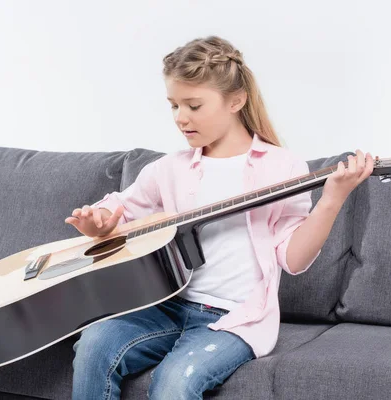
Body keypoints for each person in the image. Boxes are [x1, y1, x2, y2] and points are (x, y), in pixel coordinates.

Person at [65, 35, 374, 400]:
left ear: (236, 101)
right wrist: (98, 221)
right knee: (94, 344)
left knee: (175, 382)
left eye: (194, 105)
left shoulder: (281, 167)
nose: (181, 118)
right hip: (166, 306)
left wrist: (332, 199)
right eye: (174, 105)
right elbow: (120, 208)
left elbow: (294, 260)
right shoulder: (169, 169)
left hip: (232, 320)